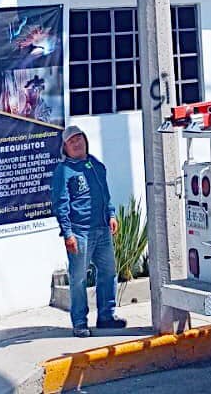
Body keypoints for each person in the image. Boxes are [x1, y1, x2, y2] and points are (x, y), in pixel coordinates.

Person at [50, 124, 124, 337]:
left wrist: (111, 214)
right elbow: (60, 203)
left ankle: (106, 316)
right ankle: (80, 322)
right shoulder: (63, 171)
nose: (76, 143)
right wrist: (68, 233)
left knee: (109, 273)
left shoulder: (96, 165)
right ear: (65, 147)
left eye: (79, 138)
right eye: (71, 141)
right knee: (78, 278)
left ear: (85, 140)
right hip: (80, 233)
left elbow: (105, 194)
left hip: (102, 230)